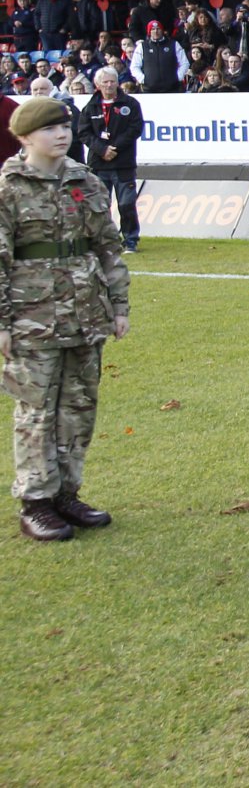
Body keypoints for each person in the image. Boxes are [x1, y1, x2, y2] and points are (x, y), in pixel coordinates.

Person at [0, 98, 131, 543]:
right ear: (24, 136)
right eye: (50, 128)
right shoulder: (8, 186)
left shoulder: (85, 180)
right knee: (36, 409)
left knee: (78, 408)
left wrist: (119, 305)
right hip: (30, 316)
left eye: (65, 126)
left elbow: (108, 246)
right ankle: (36, 501)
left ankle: (66, 494)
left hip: (85, 312)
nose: (62, 134)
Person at [81, 67, 142, 253]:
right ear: (97, 85)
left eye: (112, 81)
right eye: (105, 82)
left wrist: (114, 148)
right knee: (99, 206)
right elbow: (84, 132)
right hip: (99, 164)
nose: (109, 85)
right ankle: (103, 240)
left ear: (117, 82)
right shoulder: (90, 107)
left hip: (123, 163)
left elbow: (135, 128)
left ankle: (130, 240)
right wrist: (102, 149)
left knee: (126, 204)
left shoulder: (130, 103)